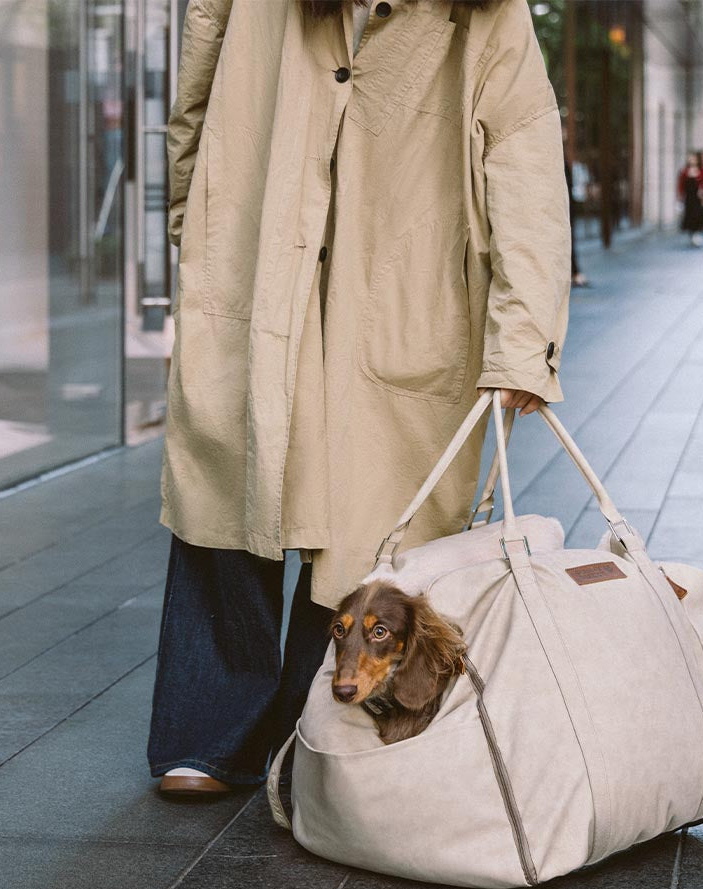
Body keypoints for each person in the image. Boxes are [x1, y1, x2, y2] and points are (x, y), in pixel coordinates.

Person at [148, 0, 571, 795]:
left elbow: (525, 158)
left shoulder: (484, 16)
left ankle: (313, 736)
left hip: (406, 293)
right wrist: (197, 229)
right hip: (259, 261)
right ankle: (205, 736)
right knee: (227, 485)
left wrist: (522, 339)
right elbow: (196, 101)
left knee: (375, 519)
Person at [562, 126, 589, 287]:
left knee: (569, 238)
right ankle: (573, 272)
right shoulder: (557, 157)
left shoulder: (561, 158)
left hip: (567, 205)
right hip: (563, 206)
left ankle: (574, 272)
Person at [678, 151, 703, 246]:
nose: (691, 160)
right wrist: (680, 195)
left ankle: (697, 233)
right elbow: (681, 184)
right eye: (690, 158)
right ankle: (691, 233)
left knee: (698, 214)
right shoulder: (685, 171)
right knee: (689, 215)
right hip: (689, 197)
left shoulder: (702, 171)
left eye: (693, 158)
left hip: (698, 197)